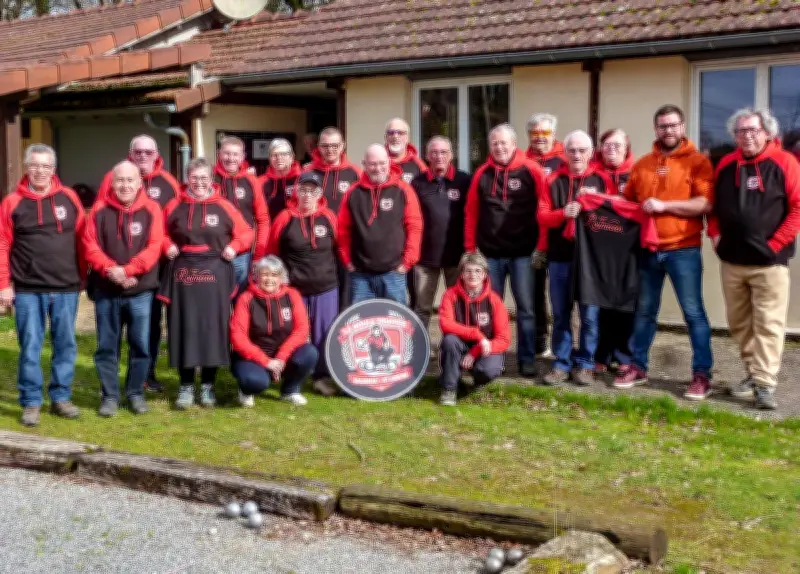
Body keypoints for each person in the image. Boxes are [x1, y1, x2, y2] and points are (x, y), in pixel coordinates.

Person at [615, 105, 715, 400]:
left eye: (672, 125)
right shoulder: (643, 164)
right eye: (662, 126)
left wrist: (663, 206)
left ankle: (701, 375)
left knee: (693, 313)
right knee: (644, 312)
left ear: (683, 126)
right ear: (655, 129)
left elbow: (704, 204)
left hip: (683, 249)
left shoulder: (698, 162)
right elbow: (628, 204)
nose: (667, 130)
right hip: (648, 250)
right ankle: (638, 367)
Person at [708, 108, 800, 410]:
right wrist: (715, 235)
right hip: (733, 262)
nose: (746, 136)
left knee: (769, 325)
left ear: (766, 133)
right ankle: (753, 372)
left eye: (752, 130)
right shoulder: (725, 164)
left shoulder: (784, 162)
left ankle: (765, 383)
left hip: (770, 264)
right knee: (739, 324)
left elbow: (797, 208)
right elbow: (713, 207)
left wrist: (775, 244)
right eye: (741, 131)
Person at [0, 144, 85, 427]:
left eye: (45, 166)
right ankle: (31, 402)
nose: (40, 171)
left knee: (65, 345)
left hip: (66, 287)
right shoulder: (12, 202)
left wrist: (84, 276)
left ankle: (61, 397)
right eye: (34, 165)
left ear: (54, 169)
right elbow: (2, 244)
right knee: (30, 346)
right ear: (26, 167)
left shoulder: (69, 198)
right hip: (27, 289)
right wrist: (4, 284)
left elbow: (84, 237)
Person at [160, 158, 253, 410]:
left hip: (215, 275)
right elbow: (158, 231)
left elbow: (246, 233)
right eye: (194, 177)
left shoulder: (224, 206)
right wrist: (166, 245)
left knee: (214, 328)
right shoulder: (174, 205)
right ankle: (186, 386)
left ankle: (209, 386)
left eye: (203, 178)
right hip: (183, 275)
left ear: (211, 180)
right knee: (184, 327)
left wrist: (234, 247)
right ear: (187, 178)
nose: (199, 183)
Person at [464, 123, 554, 377]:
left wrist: (541, 247)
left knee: (526, 309)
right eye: (495, 144)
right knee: (489, 310)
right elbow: (471, 213)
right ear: (489, 147)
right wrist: (470, 249)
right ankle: (490, 359)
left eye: (504, 143)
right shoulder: (481, 174)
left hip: (524, 255)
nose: (500, 148)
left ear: (514, 144)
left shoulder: (532, 171)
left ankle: (526, 360)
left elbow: (544, 210)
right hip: (490, 255)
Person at [96, 135, 181, 393]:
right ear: (130, 154)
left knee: (149, 326)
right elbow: (101, 219)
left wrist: (165, 250)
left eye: (148, 151)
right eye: (138, 152)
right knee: (114, 333)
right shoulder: (112, 179)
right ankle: (111, 384)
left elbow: (174, 223)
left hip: (154, 268)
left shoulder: (169, 183)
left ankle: (147, 375)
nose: (143, 155)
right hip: (112, 272)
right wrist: (116, 270)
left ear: (157, 154)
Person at [83, 161, 164, 417]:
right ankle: (109, 396)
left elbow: (154, 246)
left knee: (140, 345)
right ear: (112, 182)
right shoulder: (98, 211)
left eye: (130, 180)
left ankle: (135, 393)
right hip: (107, 290)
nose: (125, 185)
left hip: (140, 291)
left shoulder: (152, 210)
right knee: (107, 345)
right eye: (120, 180)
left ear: (140, 183)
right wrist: (112, 271)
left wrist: (128, 270)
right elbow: (90, 247)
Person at [538, 130, 615, 386]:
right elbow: (542, 216)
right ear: (565, 153)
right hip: (561, 257)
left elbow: (614, 213)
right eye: (572, 150)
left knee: (590, 316)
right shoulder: (554, 181)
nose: (577, 155)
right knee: (561, 314)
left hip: (591, 262)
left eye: (582, 150)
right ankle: (561, 363)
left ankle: (585, 364)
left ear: (592, 153)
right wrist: (563, 213)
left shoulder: (602, 179)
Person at [268, 172, 339, 397]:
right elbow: (271, 251)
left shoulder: (328, 216)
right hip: (294, 289)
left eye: (313, 191)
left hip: (325, 286)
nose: (308, 195)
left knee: (324, 334)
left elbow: (340, 246)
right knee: (290, 333)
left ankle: (321, 377)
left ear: (320, 194)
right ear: (296, 192)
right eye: (304, 190)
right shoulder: (284, 217)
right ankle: (290, 377)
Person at [338, 144, 423, 304]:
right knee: (363, 324)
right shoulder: (353, 192)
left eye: (382, 163)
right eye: (373, 164)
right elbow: (343, 230)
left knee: (395, 324)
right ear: (364, 164)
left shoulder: (403, 190)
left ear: (389, 162)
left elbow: (414, 226)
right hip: (360, 275)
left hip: (394, 273)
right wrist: (347, 261)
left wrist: (407, 262)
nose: (378, 168)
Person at [230, 256, 318, 407]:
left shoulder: (292, 295)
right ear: (257, 277)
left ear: (281, 278)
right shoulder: (246, 298)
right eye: (264, 274)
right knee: (255, 382)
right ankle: (245, 390)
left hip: (283, 356)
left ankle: (290, 391)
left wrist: (281, 357)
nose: (269, 279)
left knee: (309, 353)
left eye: (274, 275)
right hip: (253, 357)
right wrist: (266, 362)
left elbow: (302, 330)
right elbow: (238, 338)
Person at [411, 136, 471, 329]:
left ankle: (455, 347)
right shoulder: (417, 182)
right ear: (427, 156)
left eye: (443, 152)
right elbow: (411, 219)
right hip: (425, 258)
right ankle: (420, 349)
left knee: (457, 306)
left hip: (457, 257)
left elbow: (473, 214)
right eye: (434, 152)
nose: (439, 156)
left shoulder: (464, 180)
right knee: (422, 307)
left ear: (451, 155)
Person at [438, 252, 511, 406]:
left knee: (487, 371)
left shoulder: (494, 300)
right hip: (460, 345)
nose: (473, 275)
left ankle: (479, 381)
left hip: (484, 348)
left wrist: (475, 351)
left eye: (478, 271)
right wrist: (476, 334)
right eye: (468, 271)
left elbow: (504, 339)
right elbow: (446, 324)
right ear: (462, 274)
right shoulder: (450, 295)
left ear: (485, 274)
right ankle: (450, 389)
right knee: (449, 340)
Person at [592, 129, 636, 372]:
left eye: (617, 145)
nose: (611, 150)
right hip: (600, 250)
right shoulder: (593, 175)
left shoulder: (637, 173)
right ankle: (602, 355)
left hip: (629, 249)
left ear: (626, 147)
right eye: (607, 145)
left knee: (626, 305)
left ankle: (624, 356)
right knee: (602, 304)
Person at [303, 127, 361, 309]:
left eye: (335, 145)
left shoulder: (355, 172)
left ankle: (342, 332)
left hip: (346, 242)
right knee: (322, 292)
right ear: (318, 147)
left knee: (347, 290)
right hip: (318, 243)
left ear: (342, 146)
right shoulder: (308, 172)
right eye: (326, 146)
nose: (330, 150)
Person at [527, 113, 567, 359]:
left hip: (562, 237)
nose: (540, 138)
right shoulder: (521, 160)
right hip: (531, 238)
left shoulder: (565, 159)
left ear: (553, 134)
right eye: (535, 133)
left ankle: (565, 346)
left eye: (545, 133)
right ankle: (540, 341)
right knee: (534, 293)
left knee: (563, 295)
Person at [213, 136, 270, 290]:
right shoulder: (209, 178)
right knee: (217, 306)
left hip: (242, 256)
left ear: (242, 157)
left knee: (242, 304)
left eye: (235, 154)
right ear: (219, 153)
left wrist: (258, 255)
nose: (231, 158)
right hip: (214, 255)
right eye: (227, 153)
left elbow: (263, 219)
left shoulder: (251, 181)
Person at [260, 139, 302, 219]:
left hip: (297, 227)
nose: (279, 158)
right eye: (274, 155)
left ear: (291, 157)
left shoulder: (303, 179)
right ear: (269, 158)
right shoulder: (261, 181)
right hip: (270, 228)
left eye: (283, 154)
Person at [384, 118, 427, 183]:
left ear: (407, 138)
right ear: (386, 137)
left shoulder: (418, 164)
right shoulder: (377, 161)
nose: (395, 136)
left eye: (400, 133)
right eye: (391, 133)